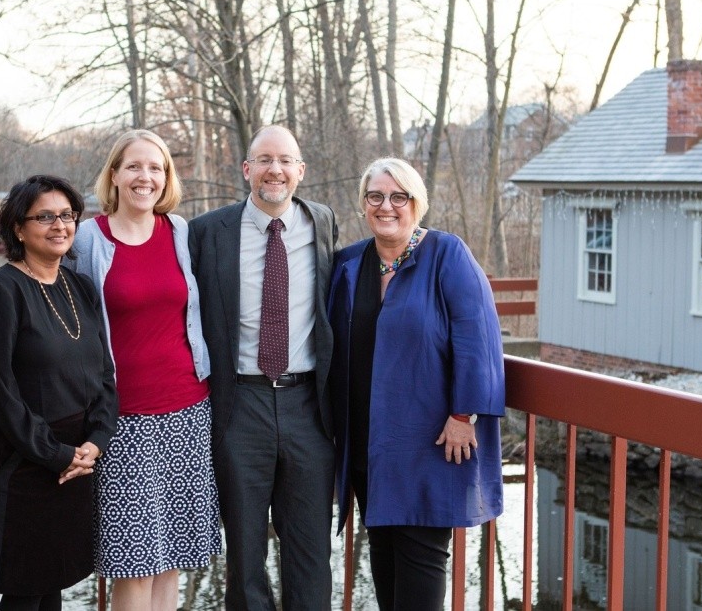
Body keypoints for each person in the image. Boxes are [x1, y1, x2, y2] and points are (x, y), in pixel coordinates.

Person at [327, 157, 505, 611]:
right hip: (371, 444)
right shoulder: (349, 265)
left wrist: (465, 414)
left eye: (398, 197)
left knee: (422, 568)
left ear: (416, 203)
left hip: (431, 441)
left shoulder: (447, 254)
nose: (386, 206)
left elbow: (478, 337)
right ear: (363, 204)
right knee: (383, 560)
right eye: (375, 196)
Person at [187, 125, 337, 611]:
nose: (275, 170)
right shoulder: (209, 231)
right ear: (247, 169)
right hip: (239, 404)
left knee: (311, 551)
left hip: (308, 406)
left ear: (300, 171)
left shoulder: (322, 223)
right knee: (245, 553)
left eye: (286, 160)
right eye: (264, 160)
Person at [73, 130, 220, 611]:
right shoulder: (88, 239)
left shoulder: (178, 231)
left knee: (171, 559)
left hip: (188, 410)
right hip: (124, 419)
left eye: (156, 168)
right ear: (114, 175)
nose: (146, 177)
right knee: (134, 564)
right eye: (134, 166)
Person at [0, 175, 119, 611]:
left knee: (52, 585)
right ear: (18, 227)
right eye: (45, 217)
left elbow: (105, 375)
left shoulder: (80, 287)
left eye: (67, 215)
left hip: (77, 461)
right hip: (24, 465)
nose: (60, 226)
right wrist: (54, 453)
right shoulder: (2, 291)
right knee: (25, 592)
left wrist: (95, 443)